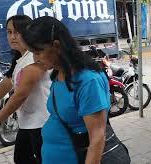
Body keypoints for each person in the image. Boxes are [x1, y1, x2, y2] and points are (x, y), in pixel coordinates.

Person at [23, 16, 111, 164]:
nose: (35, 58)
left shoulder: (88, 81)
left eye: (38, 52)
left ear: (56, 46)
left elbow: (97, 137)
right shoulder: (58, 74)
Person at [0, 15, 51, 164]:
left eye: (17, 32)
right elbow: (6, 84)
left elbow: (20, 95)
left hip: (42, 123)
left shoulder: (35, 57)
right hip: (27, 123)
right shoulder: (19, 59)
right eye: (9, 32)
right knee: (21, 159)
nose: (12, 36)